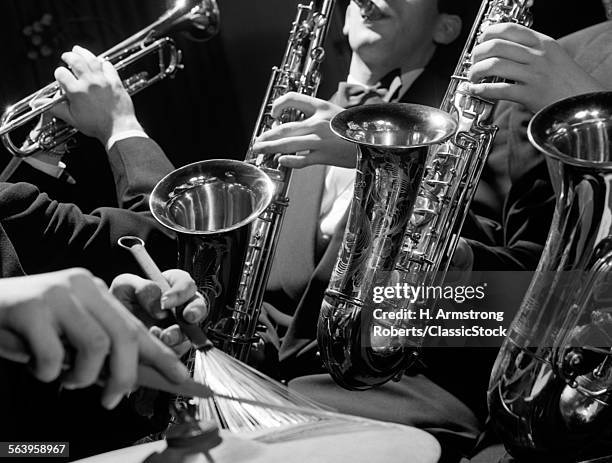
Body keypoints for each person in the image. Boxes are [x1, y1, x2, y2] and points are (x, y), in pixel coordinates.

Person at [252, 15, 609, 463]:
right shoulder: (299, 125)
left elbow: (548, 296)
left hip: (404, 410)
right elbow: (274, 310)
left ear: (445, 27)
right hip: (269, 406)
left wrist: (446, 267)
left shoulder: (508, 89)